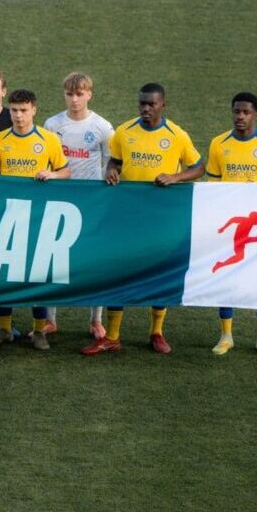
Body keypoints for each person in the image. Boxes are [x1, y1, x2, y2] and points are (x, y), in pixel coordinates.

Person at [83, 82, 203, 355]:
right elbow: (116, 161)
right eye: (142, 104)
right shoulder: (125, 132)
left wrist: (175, 177)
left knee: (158, 274)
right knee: (119, 272)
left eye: (152, 104)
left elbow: (198, 167)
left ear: (163, 105)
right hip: (127, 217)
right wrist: (112, 171)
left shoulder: (177, 135)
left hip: (162, 219)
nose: (146, 109)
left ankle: (157, 332)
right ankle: (112, 336)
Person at [203, 92, 257, 358]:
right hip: (231, 230)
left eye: (246, 113)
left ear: (255, 114)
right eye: (236, 112)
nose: (240, 117)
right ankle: (226, 336)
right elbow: (213, 187)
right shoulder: (219, 144)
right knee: (227, 281)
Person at [0, 89, 70, 350]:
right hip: (7, 218)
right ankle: (4, 329)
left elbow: (65, 170)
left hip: (39, 218)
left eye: (23, 110)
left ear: (34, 110)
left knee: (38, 274)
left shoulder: (48, 139)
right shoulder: (0, 139)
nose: (18, 116)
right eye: (14, 111)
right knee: (5, 274)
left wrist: (52, 175)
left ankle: (39, 331)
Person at [42, 72, 113, 340]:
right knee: (53, 258)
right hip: (59, 201)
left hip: (92, 202)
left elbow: (111, 164)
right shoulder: (52, 124)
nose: (74, 100)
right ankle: (50, 319)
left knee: (94, 261)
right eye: (70, 94)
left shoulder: (102, 127)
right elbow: (47, 160)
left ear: (89, 94)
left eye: (79, 94)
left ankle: (96, 320)